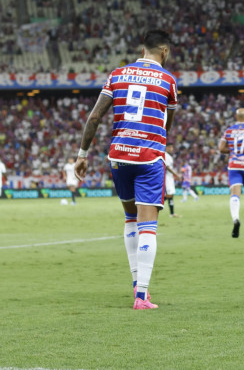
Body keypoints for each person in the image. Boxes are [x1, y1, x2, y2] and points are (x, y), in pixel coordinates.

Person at [74, 29, 178, 310]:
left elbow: (95, 116)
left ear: (142, 48)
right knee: (148, 225)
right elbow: (167, 122)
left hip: (119, 155)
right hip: (148, 157)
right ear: (164, 52)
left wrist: (82, 154)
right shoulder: (168, 80)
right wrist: (159, 141)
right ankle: (142, 295)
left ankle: (136, 284)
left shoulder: (117, 74)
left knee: (130, 218)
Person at [218, 108, 244, 238]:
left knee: (235, 194)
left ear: (236, 117)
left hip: (234, 165)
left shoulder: (229, 130)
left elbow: (221, 148)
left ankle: (236, 218)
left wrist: (232, 152)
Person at [164, 145, 181, 217]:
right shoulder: (166, 155)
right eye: (171, 147)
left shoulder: (169, 156)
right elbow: (167, 167)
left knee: (170, 195)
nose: (172, 149)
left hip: (169, 178)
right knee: (169, 194)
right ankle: (153, 207)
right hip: (167, 177)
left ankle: (172, 213)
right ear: (167, 147)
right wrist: (176, 174)